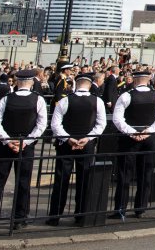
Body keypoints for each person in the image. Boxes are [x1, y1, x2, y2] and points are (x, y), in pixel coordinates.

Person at [0, 68, 47, 232]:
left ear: (17, 82)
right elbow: (41, 125)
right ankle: (19, 218)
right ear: (31, 83)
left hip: (5, 145)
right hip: (26, 145)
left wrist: (7, 140)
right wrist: (25, 142)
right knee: (23, 182)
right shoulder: (38, 100)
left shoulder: (6, 99)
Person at [47, 72, 106, 225]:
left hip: (66, 144)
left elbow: (55, 124)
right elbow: (101, 124)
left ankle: (55, 215)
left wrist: (68, 138)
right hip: (86, 144)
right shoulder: (97, 101)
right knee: (84, 179)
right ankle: (81, 214)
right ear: (90, 84)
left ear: (76, 83)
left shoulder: (65, 101)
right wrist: (87, 138)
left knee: (61, 179)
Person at [111, 69, 155, 220]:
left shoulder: (126, 96)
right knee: (146, 173)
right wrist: (148, 131)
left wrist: (132, 132)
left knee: (125, 174)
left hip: (129, 139)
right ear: (149, 79)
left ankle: (120, 208)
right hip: (149, 138)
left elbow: (117, 119)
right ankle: (140, 208)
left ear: (134, 80)